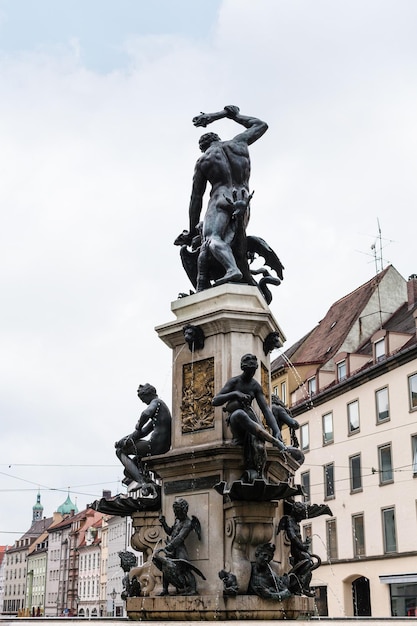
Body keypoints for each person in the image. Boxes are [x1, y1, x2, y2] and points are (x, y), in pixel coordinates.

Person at [175, 105, 268, 290]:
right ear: (217, 139)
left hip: (220, 198)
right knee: (237, 239)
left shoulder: (204, 160)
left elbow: (196, 199)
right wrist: (228, 115)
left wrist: (192, 230)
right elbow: (261, 125)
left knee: (212, 238)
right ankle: (235, 270)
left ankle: (232, 268)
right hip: (242, 197)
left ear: (203, 147)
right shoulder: (239, 143)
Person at [212, 354, 286, 480]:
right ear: (243, 368)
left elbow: (266, 410)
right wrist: (235, 394)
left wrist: (277, 430)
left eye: (254, 371)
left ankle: (257, 472)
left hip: (250, 420)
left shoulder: (255, 386)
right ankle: (273, 441)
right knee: (240, 414)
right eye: (249, 371)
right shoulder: (234, 382)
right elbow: (215, 400)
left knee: (258, 440)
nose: (252, 373)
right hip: (236, 420)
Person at [115, 384, 172, 486]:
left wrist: (138, 425)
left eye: (142, 398)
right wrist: (125, 440)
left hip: (154, 446)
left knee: (120, 451)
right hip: (161, 446)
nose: (142, 401)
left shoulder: (156, 402)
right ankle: (150, 484)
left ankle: (143, 482)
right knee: (128, 471)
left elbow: (145, 414)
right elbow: (143, 432)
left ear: (148, 394)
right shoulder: (159, 415)